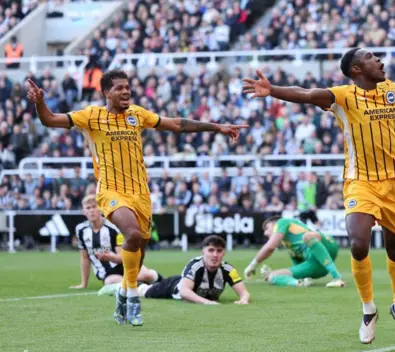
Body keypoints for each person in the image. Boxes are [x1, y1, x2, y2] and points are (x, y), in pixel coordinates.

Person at [242, 48, 395, 344]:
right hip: (359, 182)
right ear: (357, 69)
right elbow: (308, 94)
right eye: (372, 58)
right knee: (359, 242)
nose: (380, 61)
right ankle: (368, 309)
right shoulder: (343, 97)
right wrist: (273, 91)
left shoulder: (392, 90)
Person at [26, 71, 246, 326]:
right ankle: (132, 296)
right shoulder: (91, 116)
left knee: (139, 251)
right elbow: (49, 120)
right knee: (131, 234)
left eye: (128, 87)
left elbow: (177, 124)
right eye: (120, 88)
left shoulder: (137, 115)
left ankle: (123, 289)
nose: (126, 92)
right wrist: (39, 102)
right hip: (110, 190)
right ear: (106, 92)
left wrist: (216, 127)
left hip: (140, 193)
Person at [99, 236, 250, 305]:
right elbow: (184, 292)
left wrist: (243, 299)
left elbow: (244, 292)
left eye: (219, 251)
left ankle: (153, 276)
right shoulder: (195, 266)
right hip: (173, 288)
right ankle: (115, 287)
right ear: (203, 252)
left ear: (224, 253)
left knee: (148, 280)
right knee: (143, 291)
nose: (215, 255)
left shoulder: (228, 270)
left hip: (183, 282)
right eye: (211, 250)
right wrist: (206, 302)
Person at [71, 195, 162, 289]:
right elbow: (84, 257)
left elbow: (123, 256)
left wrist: (110, 257)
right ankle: (143, 287)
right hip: (107, 272)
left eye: (94, 206)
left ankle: (161, 280)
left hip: (124, 264)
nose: (91, 210)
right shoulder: (80, 230)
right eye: (88, 208)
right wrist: (84, 284)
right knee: (110, 281)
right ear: (84, 212)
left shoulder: (113, 227)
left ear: (101, 208)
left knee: (146, 276)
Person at [244, 216, 345, 288]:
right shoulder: (289, 245)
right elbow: (297, 265)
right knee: (272, 276)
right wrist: (274, 275)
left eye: (266, 228)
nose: (265, 233)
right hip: (318, 265)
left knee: (308, 236)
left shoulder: (282, 222)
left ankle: (337, 277)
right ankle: (299, 283)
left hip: (326, 244)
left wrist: (252, 265)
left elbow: (270, 247)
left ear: (274, 224)